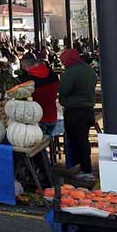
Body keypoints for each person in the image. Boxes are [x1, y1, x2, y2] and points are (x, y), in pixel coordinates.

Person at [58, 47, 97, 182]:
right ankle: (85, 167)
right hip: (88, 110)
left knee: (78, 141)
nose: (63, 63)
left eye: (63, 61)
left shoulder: (71, 72)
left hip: (75, 111)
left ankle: (86, 170)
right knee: (83, 139)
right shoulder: (88, 69)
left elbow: (63, 89)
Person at [19, 54, 60, 132]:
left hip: (36, 118)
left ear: (26, 67)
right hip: (52, 116)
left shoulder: (28, 81)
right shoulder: (53, 75)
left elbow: (23, 99)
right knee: (47, 141)